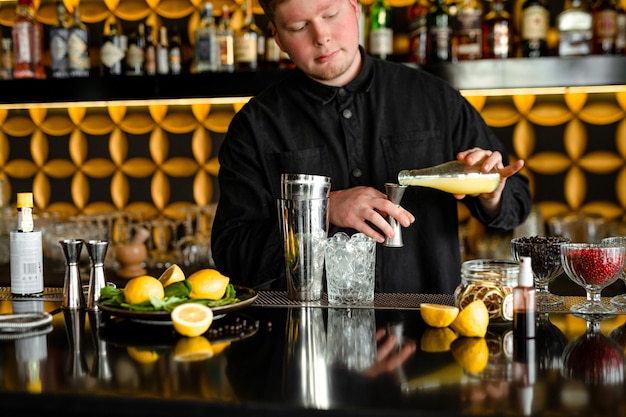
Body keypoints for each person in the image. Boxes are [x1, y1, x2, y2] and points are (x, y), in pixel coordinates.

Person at [211, 0, 532, 294]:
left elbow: (516, 203)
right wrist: (321, 210)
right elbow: (233, 257)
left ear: (355, 8)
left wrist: (492, 193)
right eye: (298, 27)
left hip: (430, 335)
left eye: (330, 15)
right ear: (277, 37)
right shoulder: (254, 126)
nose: (321, 36)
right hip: (306, 344)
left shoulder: (433, 97)